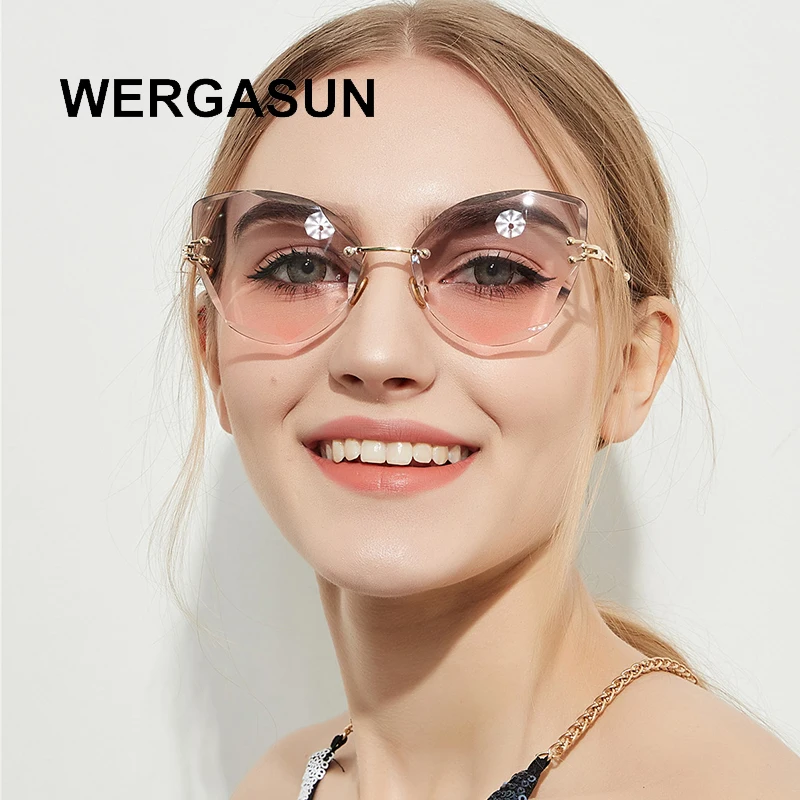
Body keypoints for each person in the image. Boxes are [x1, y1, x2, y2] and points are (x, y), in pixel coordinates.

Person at [163, 0, 800, 797]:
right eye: (299, 266)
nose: (377, 352)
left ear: (631, 367)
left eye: (494, 270)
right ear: (211, 353)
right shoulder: (277, 782)